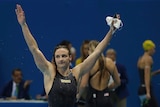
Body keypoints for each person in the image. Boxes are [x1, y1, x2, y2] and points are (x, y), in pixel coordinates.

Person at [15, 4, 118, 107]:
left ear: (70, 58)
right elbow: (34, 48)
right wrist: (23, 25)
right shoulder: (49, 72)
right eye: (58, 57)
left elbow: (97, 52)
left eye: (64, 56)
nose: (61, 59)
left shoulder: (77, 72)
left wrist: (111, 31)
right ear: (54, 59)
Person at [77, 41, 120, 107]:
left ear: (90, 50)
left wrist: (77, 96)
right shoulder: (110, 62)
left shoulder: (89, 63)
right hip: (106, 97)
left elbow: (83, 84)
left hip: (93, 99)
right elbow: (118, 82)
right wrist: (108, 88)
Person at [137, 40, 160, 107]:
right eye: (153, 49)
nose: (154, 51)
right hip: (146, 90)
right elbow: (146, 76)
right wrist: (148, 92)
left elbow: (145, 74)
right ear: (150, 49)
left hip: (141, 89)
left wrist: (157, 72)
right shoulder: (148, 59)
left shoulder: (140, 59)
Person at [75, 40, 90, 107]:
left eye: (88, 48)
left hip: (92, 90)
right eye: (85, 48)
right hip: (81, 90)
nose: (86, 50)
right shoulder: (79, 61)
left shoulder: (95, 61)